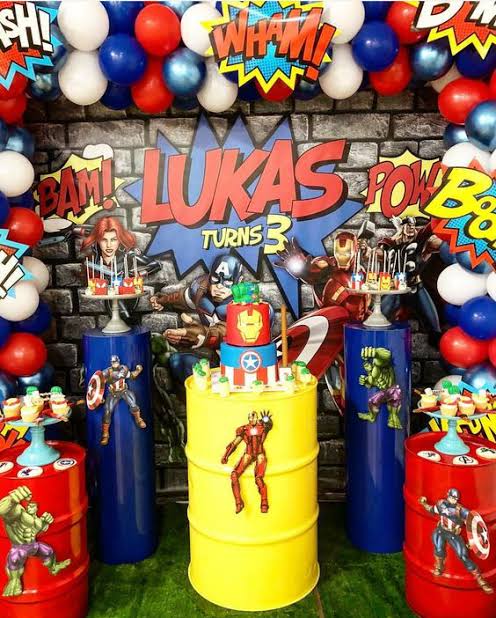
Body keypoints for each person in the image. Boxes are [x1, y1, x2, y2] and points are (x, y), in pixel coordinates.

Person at [150, 254, 244, 383]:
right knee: (177, 361)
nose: (219, 286)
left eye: (227, 282)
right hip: (215, 360)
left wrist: (198, 335)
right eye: (215, 279)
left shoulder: (247, 305)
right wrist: (162, 300)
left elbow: (224, 332)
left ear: (239, 281)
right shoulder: (201, 290)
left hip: (241, 365)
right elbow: (182, 298)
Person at [80, 216, 161, 318]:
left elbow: (156, 264)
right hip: (107, 295)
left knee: (124, 316)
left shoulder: (129, 254)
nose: (109, 245)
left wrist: (138, 273)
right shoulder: (95, 258)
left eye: (113, 240)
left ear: (119, 240)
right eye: (104, 240)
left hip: (126, 294)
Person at [0, 486, 71, 597]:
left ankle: (53, 567)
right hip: (19, 547)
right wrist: (12, 498)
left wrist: (45, 522)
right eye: (29, 505)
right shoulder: (17, 513)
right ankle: (14, 581)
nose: (31, 507)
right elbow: (2, 510)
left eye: (33, 506)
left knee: (48, 551)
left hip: (33, 545)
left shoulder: (36, 521)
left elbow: (38, 530)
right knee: (14, 559)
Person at [420, 488, 493, 594]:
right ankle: (439, 566)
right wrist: (424, 504)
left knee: (463, 556)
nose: (454, 500)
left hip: (453, 534)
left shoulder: (461, 511)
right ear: (448, 496)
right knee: (438, 548)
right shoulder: (441, 504)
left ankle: (480, 579)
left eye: (456, 498)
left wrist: (474, 540)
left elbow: (473, 523)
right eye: (452, 497)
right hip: (441, 530)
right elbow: (432, 509)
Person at [221, 411, 273, 514]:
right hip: (248, 454)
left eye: (254, 417)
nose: (252, 419)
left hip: (260, 453)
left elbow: (269, 425)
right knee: (234, 475)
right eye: (250, 417)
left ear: (257, 418)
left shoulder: (262, 427)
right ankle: (238, 502)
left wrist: (267, 420)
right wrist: (226, 455)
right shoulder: (244, 429)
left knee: (258, 479)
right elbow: (234, 443)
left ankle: (264, 503)